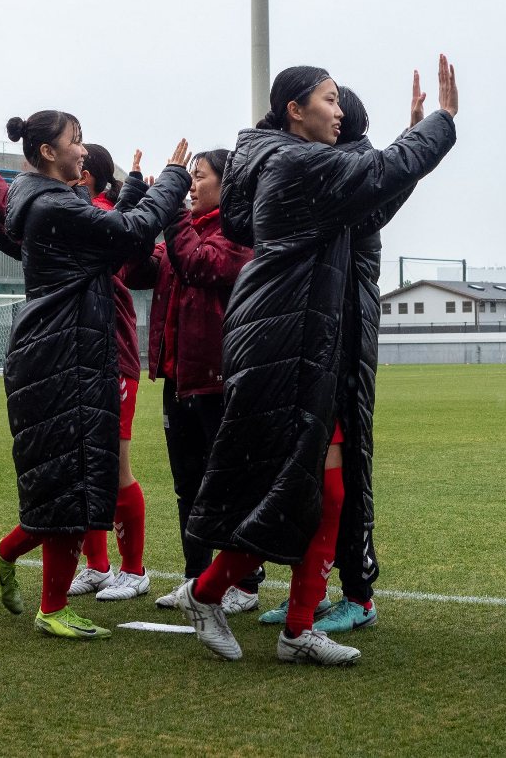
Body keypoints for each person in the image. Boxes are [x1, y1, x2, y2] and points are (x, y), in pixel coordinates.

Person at [178, 58, 458, 665]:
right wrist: (442, 121)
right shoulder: (296, 163)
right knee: (283, 493)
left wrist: (411, 140)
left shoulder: (294, 165)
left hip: (306, 344)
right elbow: (383, 167)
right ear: (294, 112)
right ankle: (209, 593)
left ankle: (297, 627)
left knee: (324, 495)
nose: (339, 110)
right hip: (282, 345)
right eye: (328, 100)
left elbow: (374, 198)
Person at [0, 112, 190, 640]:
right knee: (69, 482)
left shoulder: (50, 202)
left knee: (70, 483)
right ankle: (50, 606)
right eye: (75, 141)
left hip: (70, 352)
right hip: (60, 356)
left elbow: (116, 237)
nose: (83, 150)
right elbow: (134, 231)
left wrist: (138, 187)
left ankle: (17, 567)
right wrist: (173, 178)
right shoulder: (51, 204)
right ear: (48, 152)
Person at [118, 149, 260, 615]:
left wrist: (171, 208)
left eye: (198, 178)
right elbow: (135, 269)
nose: (191, 186)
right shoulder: (182, 234)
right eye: (189, 179)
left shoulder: (236, 235)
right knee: (189, 486)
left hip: (221, 383)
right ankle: (196, 578)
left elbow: (198, 263)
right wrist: (143, 201)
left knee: (227, 486)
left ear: (228, 185)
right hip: (180, 381)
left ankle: (242, 583)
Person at [65, 143, 153, 602]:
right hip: (84, 357)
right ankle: (98, 567)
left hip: (113, 356)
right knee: (85, 464)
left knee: (115, 465)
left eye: (79, 163)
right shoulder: (84, 212)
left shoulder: (98, 216)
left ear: (87, 178)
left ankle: (133, 570)